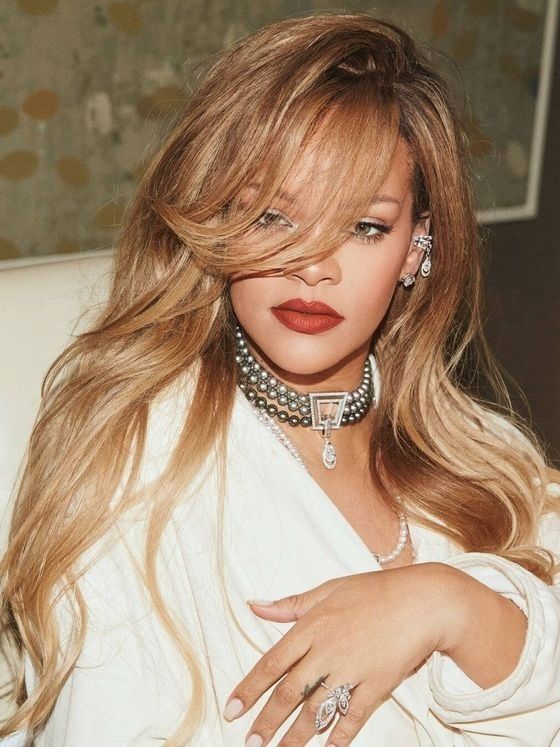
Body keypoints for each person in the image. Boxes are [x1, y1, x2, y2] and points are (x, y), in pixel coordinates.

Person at [1, 12, 560, 746]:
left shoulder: (483, 455)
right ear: (219, 220)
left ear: (416, 245)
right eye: (273, 216)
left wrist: (447, 602)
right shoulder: (131, 460)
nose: (313, 266)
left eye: (363, 226)